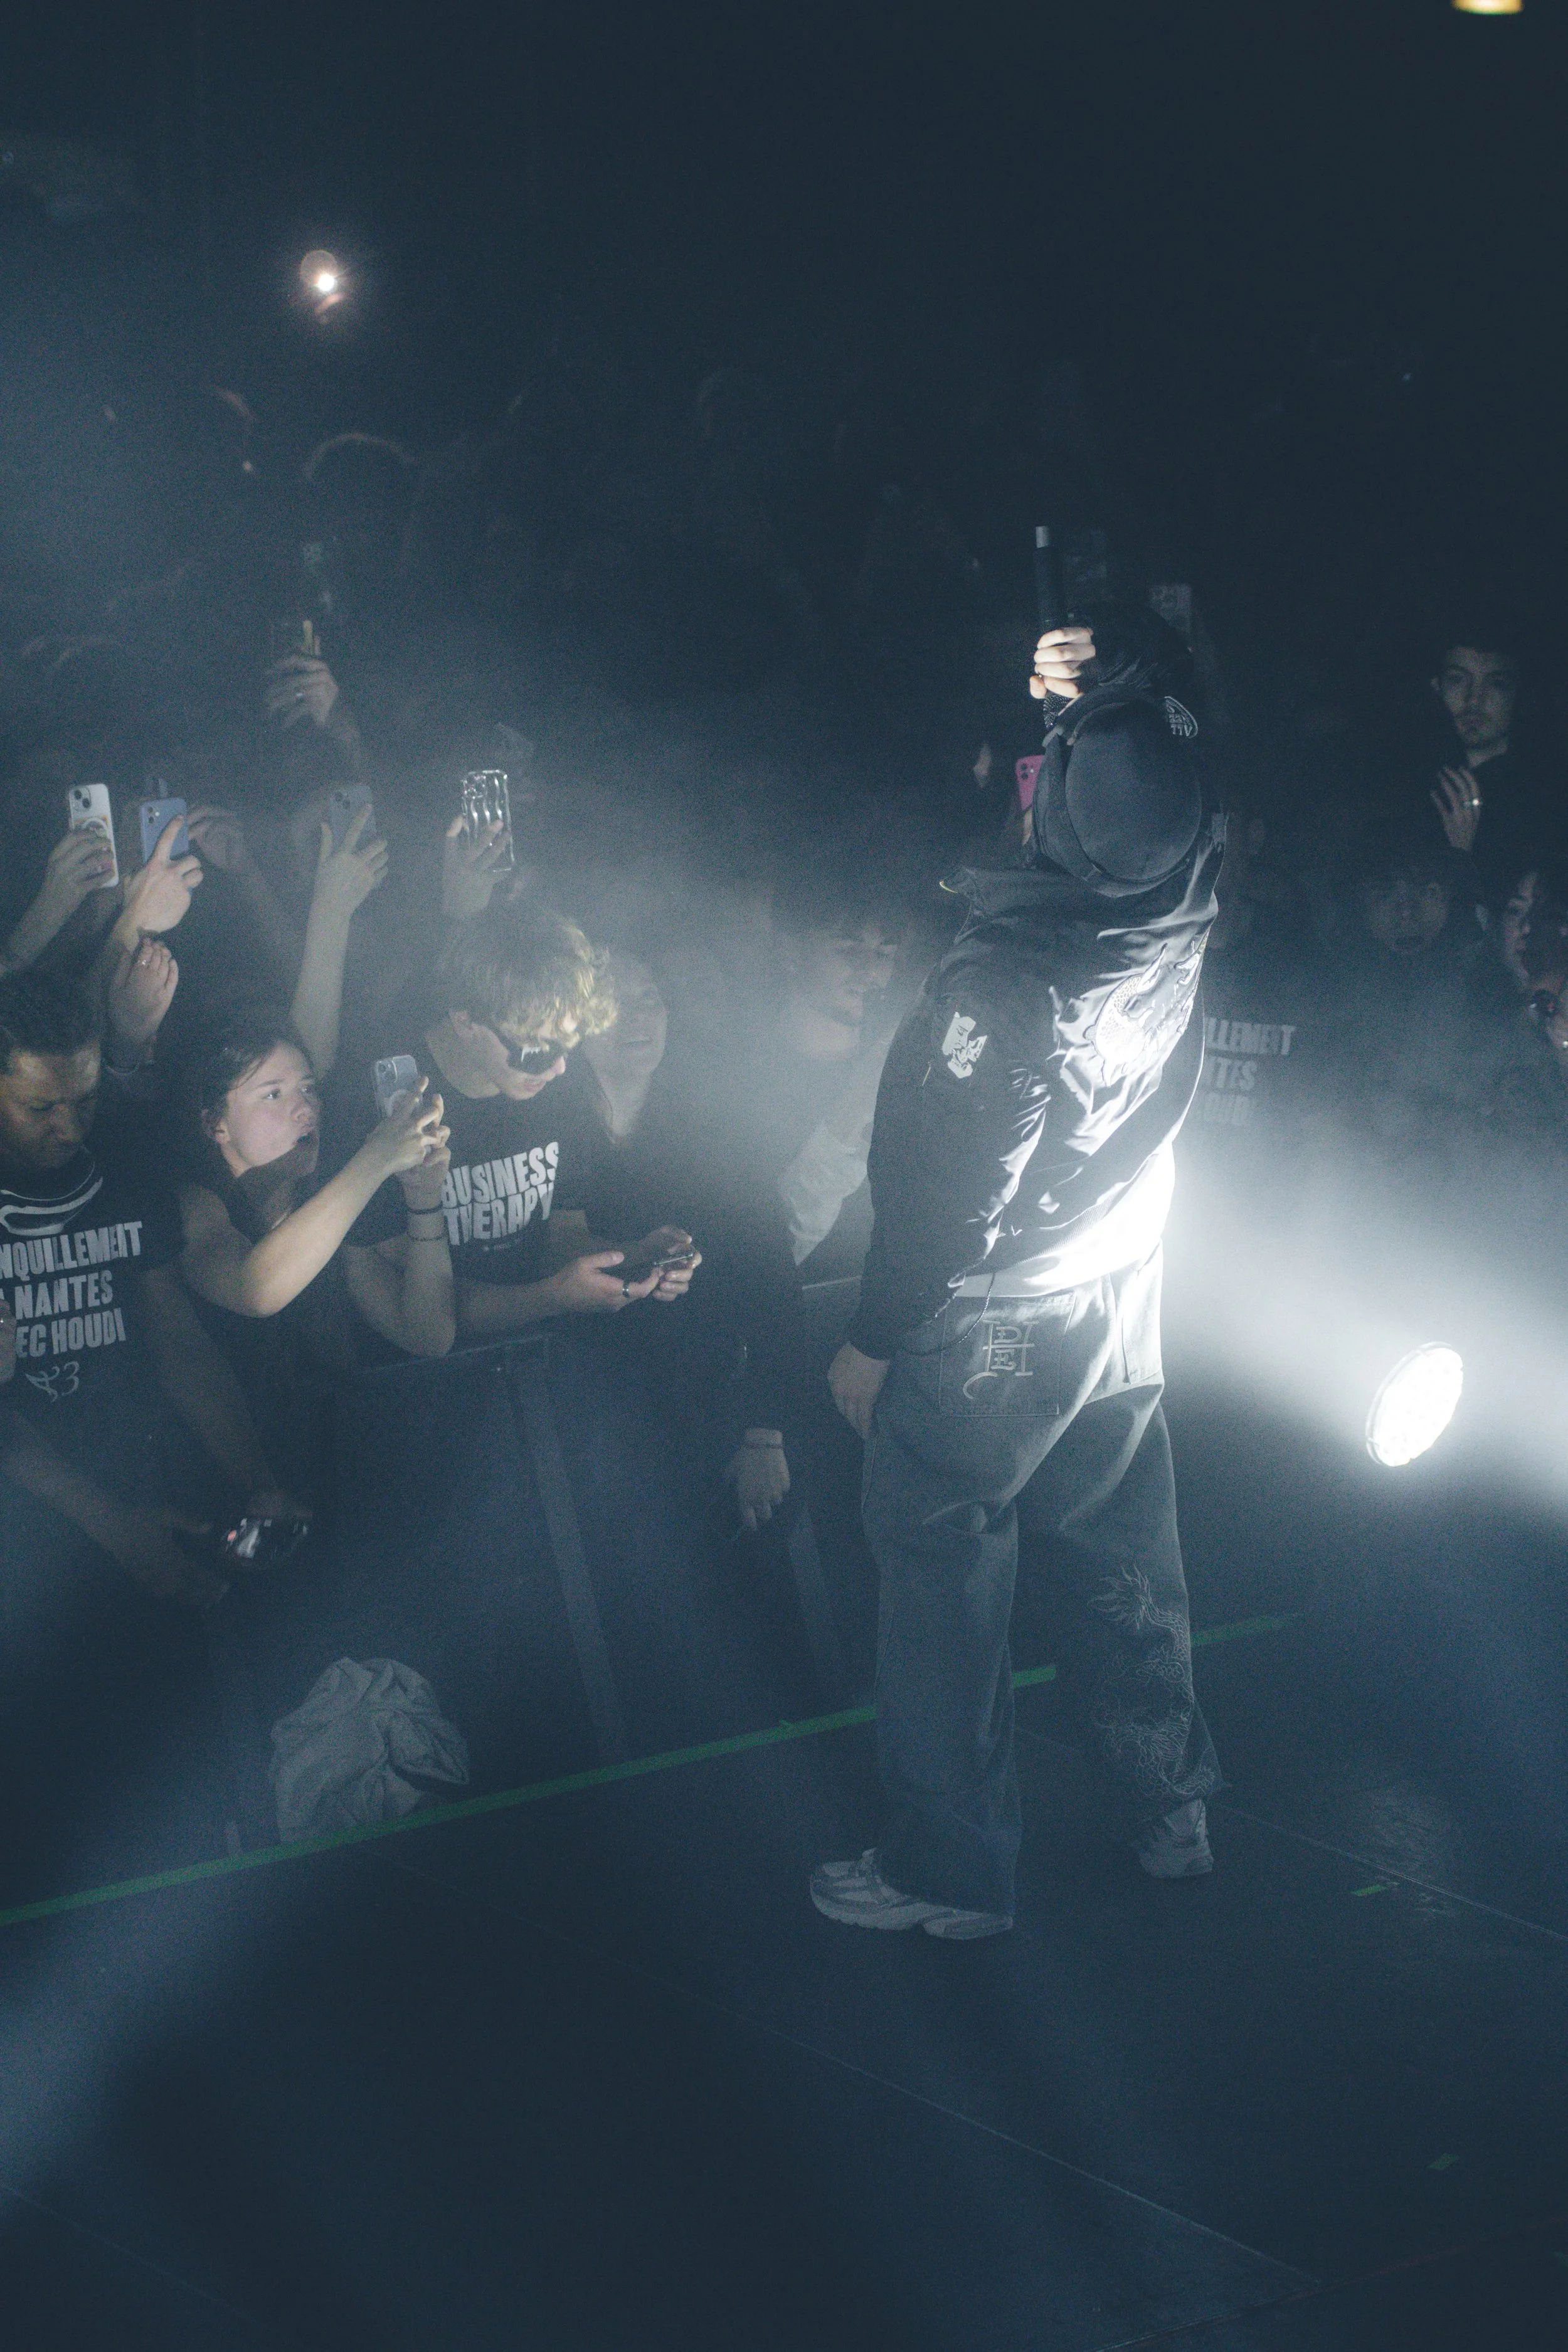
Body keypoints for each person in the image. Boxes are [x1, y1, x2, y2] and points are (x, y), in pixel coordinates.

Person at [815, 613, 1225, 1939]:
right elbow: (1172, 751)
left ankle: (950, 1871)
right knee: (1121, 1550)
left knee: (941, 1574)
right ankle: (1167, 1805)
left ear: (1057, 816)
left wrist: (875, 1339)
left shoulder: (1005, 985)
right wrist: (1107, 692)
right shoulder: (1182, 880)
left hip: (995, 1322)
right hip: (1120, 1278)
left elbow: (946, 1199)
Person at [322, 904, 698, 1343]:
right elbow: (424, 1312)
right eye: (536, 1050)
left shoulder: (558, 1086)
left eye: (568, 1045)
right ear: (465, 1022)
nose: (558, 1067)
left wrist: (638, 1258)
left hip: (539, 1356)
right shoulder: (379, 1104)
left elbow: (561, 1237)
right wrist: (551, 1297)